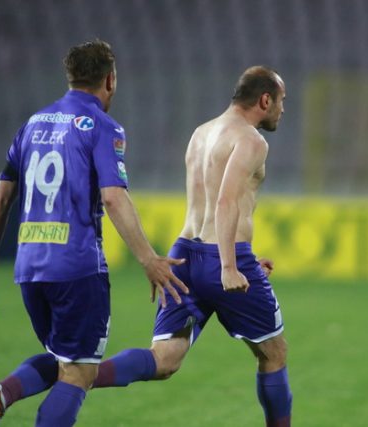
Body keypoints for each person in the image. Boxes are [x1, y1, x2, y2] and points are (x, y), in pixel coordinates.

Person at [0, 39, 188, 427]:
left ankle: (3, 393)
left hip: (29, 268)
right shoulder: (102, 126)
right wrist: (149, 259)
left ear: (70, 77)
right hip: (77, 267)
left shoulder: (32, 124)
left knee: (66, 358)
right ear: (110, 80)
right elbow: (114, 198)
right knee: (79, 374)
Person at [91, 65, 293, 426]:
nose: (283, 109)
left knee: (164, 359)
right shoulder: (251, 140)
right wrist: (231, 265)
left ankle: (79, 377)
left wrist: (233, 257)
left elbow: (211, 203)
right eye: (281, 101)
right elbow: (226, 202)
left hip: (184, 254)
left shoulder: (201, 133)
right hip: (224, 260)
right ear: (265, 100)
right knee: (274, 353)